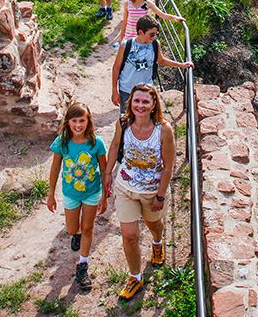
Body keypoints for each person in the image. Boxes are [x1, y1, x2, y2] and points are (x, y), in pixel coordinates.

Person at [103, 83, 176, 301]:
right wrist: (108, 174)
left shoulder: (164, 130)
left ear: (154, 104)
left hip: (152, 191)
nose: (140, 105)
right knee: (129, 235)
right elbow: (115, 146)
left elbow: (170, 165)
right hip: (125, 187)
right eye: (137, 101)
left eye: (145, 101)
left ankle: (157, 242)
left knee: (154, 224)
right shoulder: (123, 122)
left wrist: (161, 195)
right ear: (130, 103)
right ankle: (135, 277)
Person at [46, 102, 108, 292]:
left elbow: (105, 170)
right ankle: (77, 234)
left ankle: (83, 265)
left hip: (91, 192)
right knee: (73, 228)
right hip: (71, 193)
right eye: (74, 121)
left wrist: (105, 196)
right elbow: (55, 167)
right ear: (68, 122)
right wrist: (51, 194)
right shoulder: (62, 142)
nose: (78, 125)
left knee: (88, 228)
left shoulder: (96, 143)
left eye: (82, 121)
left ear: (88, 121)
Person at [111, 15, 192, 114]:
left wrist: (181, 65)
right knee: (127, 119)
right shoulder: (126, 45)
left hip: (147, 89)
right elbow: (116, 68)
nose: (154, 37)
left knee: (147, 118)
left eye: (156, 34)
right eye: (152, 34)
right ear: (141, 32)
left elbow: (161, 61)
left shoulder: (155, 44)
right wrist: (115, 91)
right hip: (127, 90)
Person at [114, 0, 184, 49]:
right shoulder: (127, 4)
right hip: (129, 36)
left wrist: (174, 17)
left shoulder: (147, 4)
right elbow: (125, 21)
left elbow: (161, 14)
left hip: (142, 36)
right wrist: (121, 38)